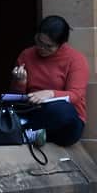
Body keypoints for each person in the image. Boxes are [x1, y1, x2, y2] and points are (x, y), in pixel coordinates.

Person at [7, 15, 88, 147]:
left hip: (65, 122)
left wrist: (50, 94)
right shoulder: (26, 55)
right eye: (39, 42)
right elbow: (17, 98)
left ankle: (20, 134)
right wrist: (20, 82)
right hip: (33, 113)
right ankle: (26, 134)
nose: (42, 48)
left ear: (61, 44)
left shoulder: (76, 59)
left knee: (61, 110)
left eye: (49, 46)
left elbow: (76, 95)